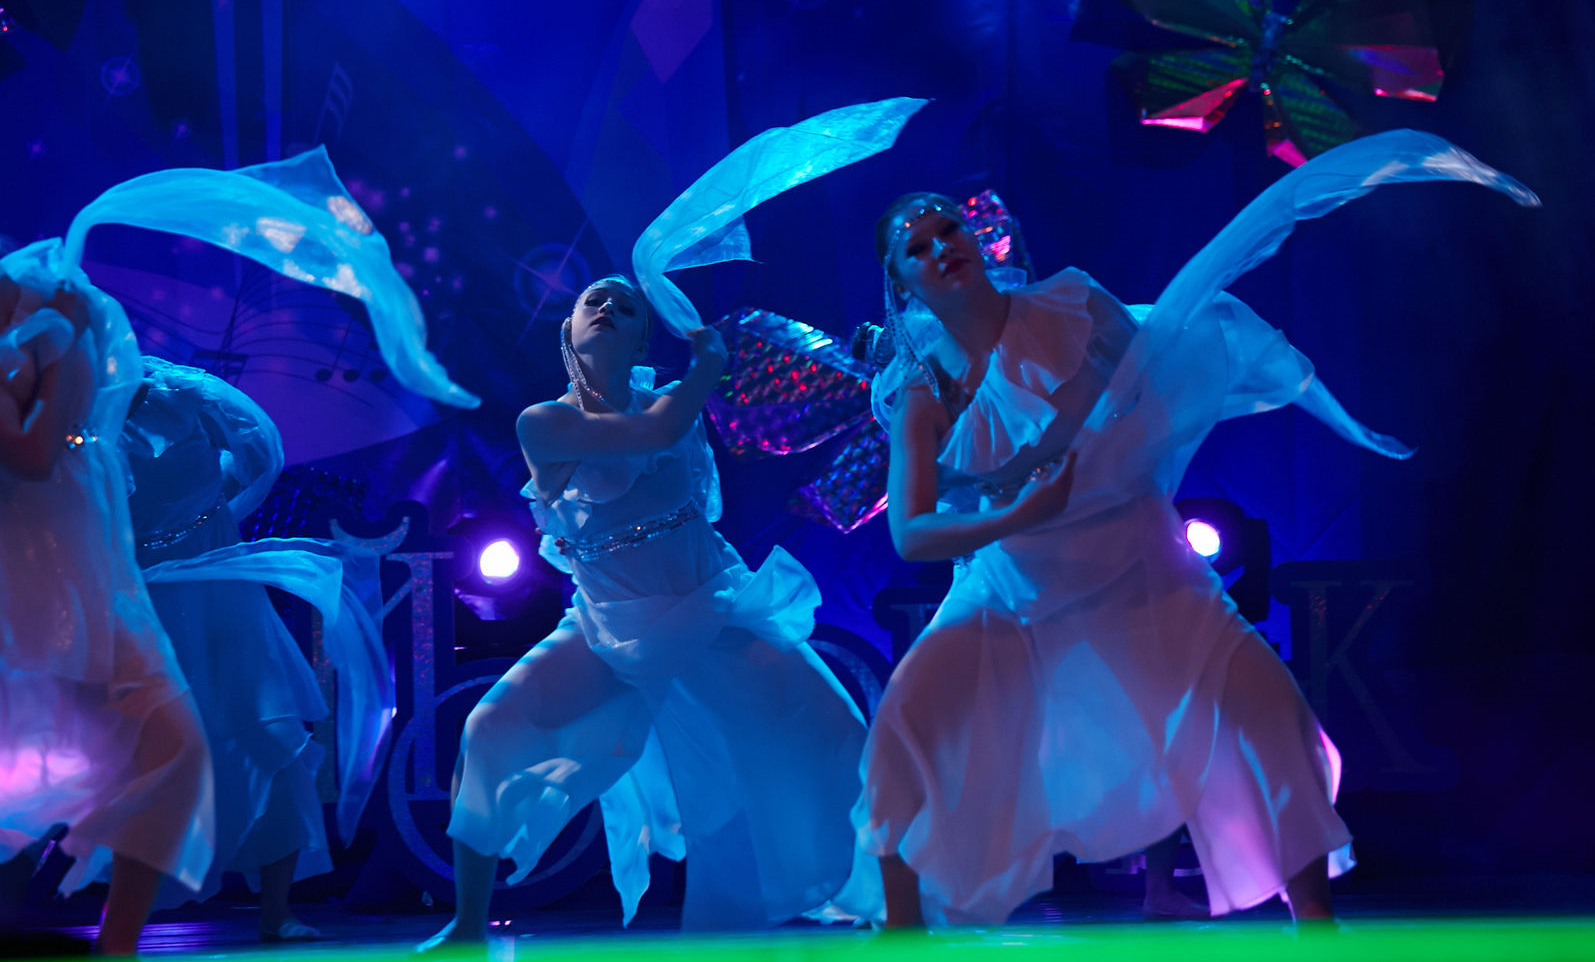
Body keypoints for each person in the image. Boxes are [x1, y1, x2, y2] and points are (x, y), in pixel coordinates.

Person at [853, 132, 1537, 928]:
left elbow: (1154, 389)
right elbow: (911, 533)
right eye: (918, 248)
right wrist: (1017, 512)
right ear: (900, 283)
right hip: (1015, 584)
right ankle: (900, 928)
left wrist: (1084, 450)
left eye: (949, 230)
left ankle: (1316, 921)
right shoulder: (920, 393)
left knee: (1269, 714)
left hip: (1139, 558)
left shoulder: (1072, 304)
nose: (942, 248)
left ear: (975, 238)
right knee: (908, 720)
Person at [424, 276, 875, 944]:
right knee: (490, 728)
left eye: (626, 306)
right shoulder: (545, 423)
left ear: (640, 340)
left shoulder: (672, 403)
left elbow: (697, 436)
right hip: (612, 626)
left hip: (712, 607)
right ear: (568, 332)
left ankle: (883, 891)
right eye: (593, 302)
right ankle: (466, 924)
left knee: (836, 725)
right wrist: (708, 365)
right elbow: (649, 434)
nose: (607, 308)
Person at [122, 358, 389, 941]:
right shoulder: (77, 417)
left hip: (221, 593)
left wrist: (213, 506)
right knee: (138, 753)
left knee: (270, 735)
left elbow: (258, 460)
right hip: (141, 602)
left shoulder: (182, 394)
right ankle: (117, 917)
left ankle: (277, 912)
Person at [0, 256, 214, 956]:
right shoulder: (48, 319)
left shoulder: (40, 294)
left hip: (83, 576)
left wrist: (63, 330)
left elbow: (69, 437)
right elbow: (33, 452)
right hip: (23, 585)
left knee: (173, 745)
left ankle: (117, 945)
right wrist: (62, 338)